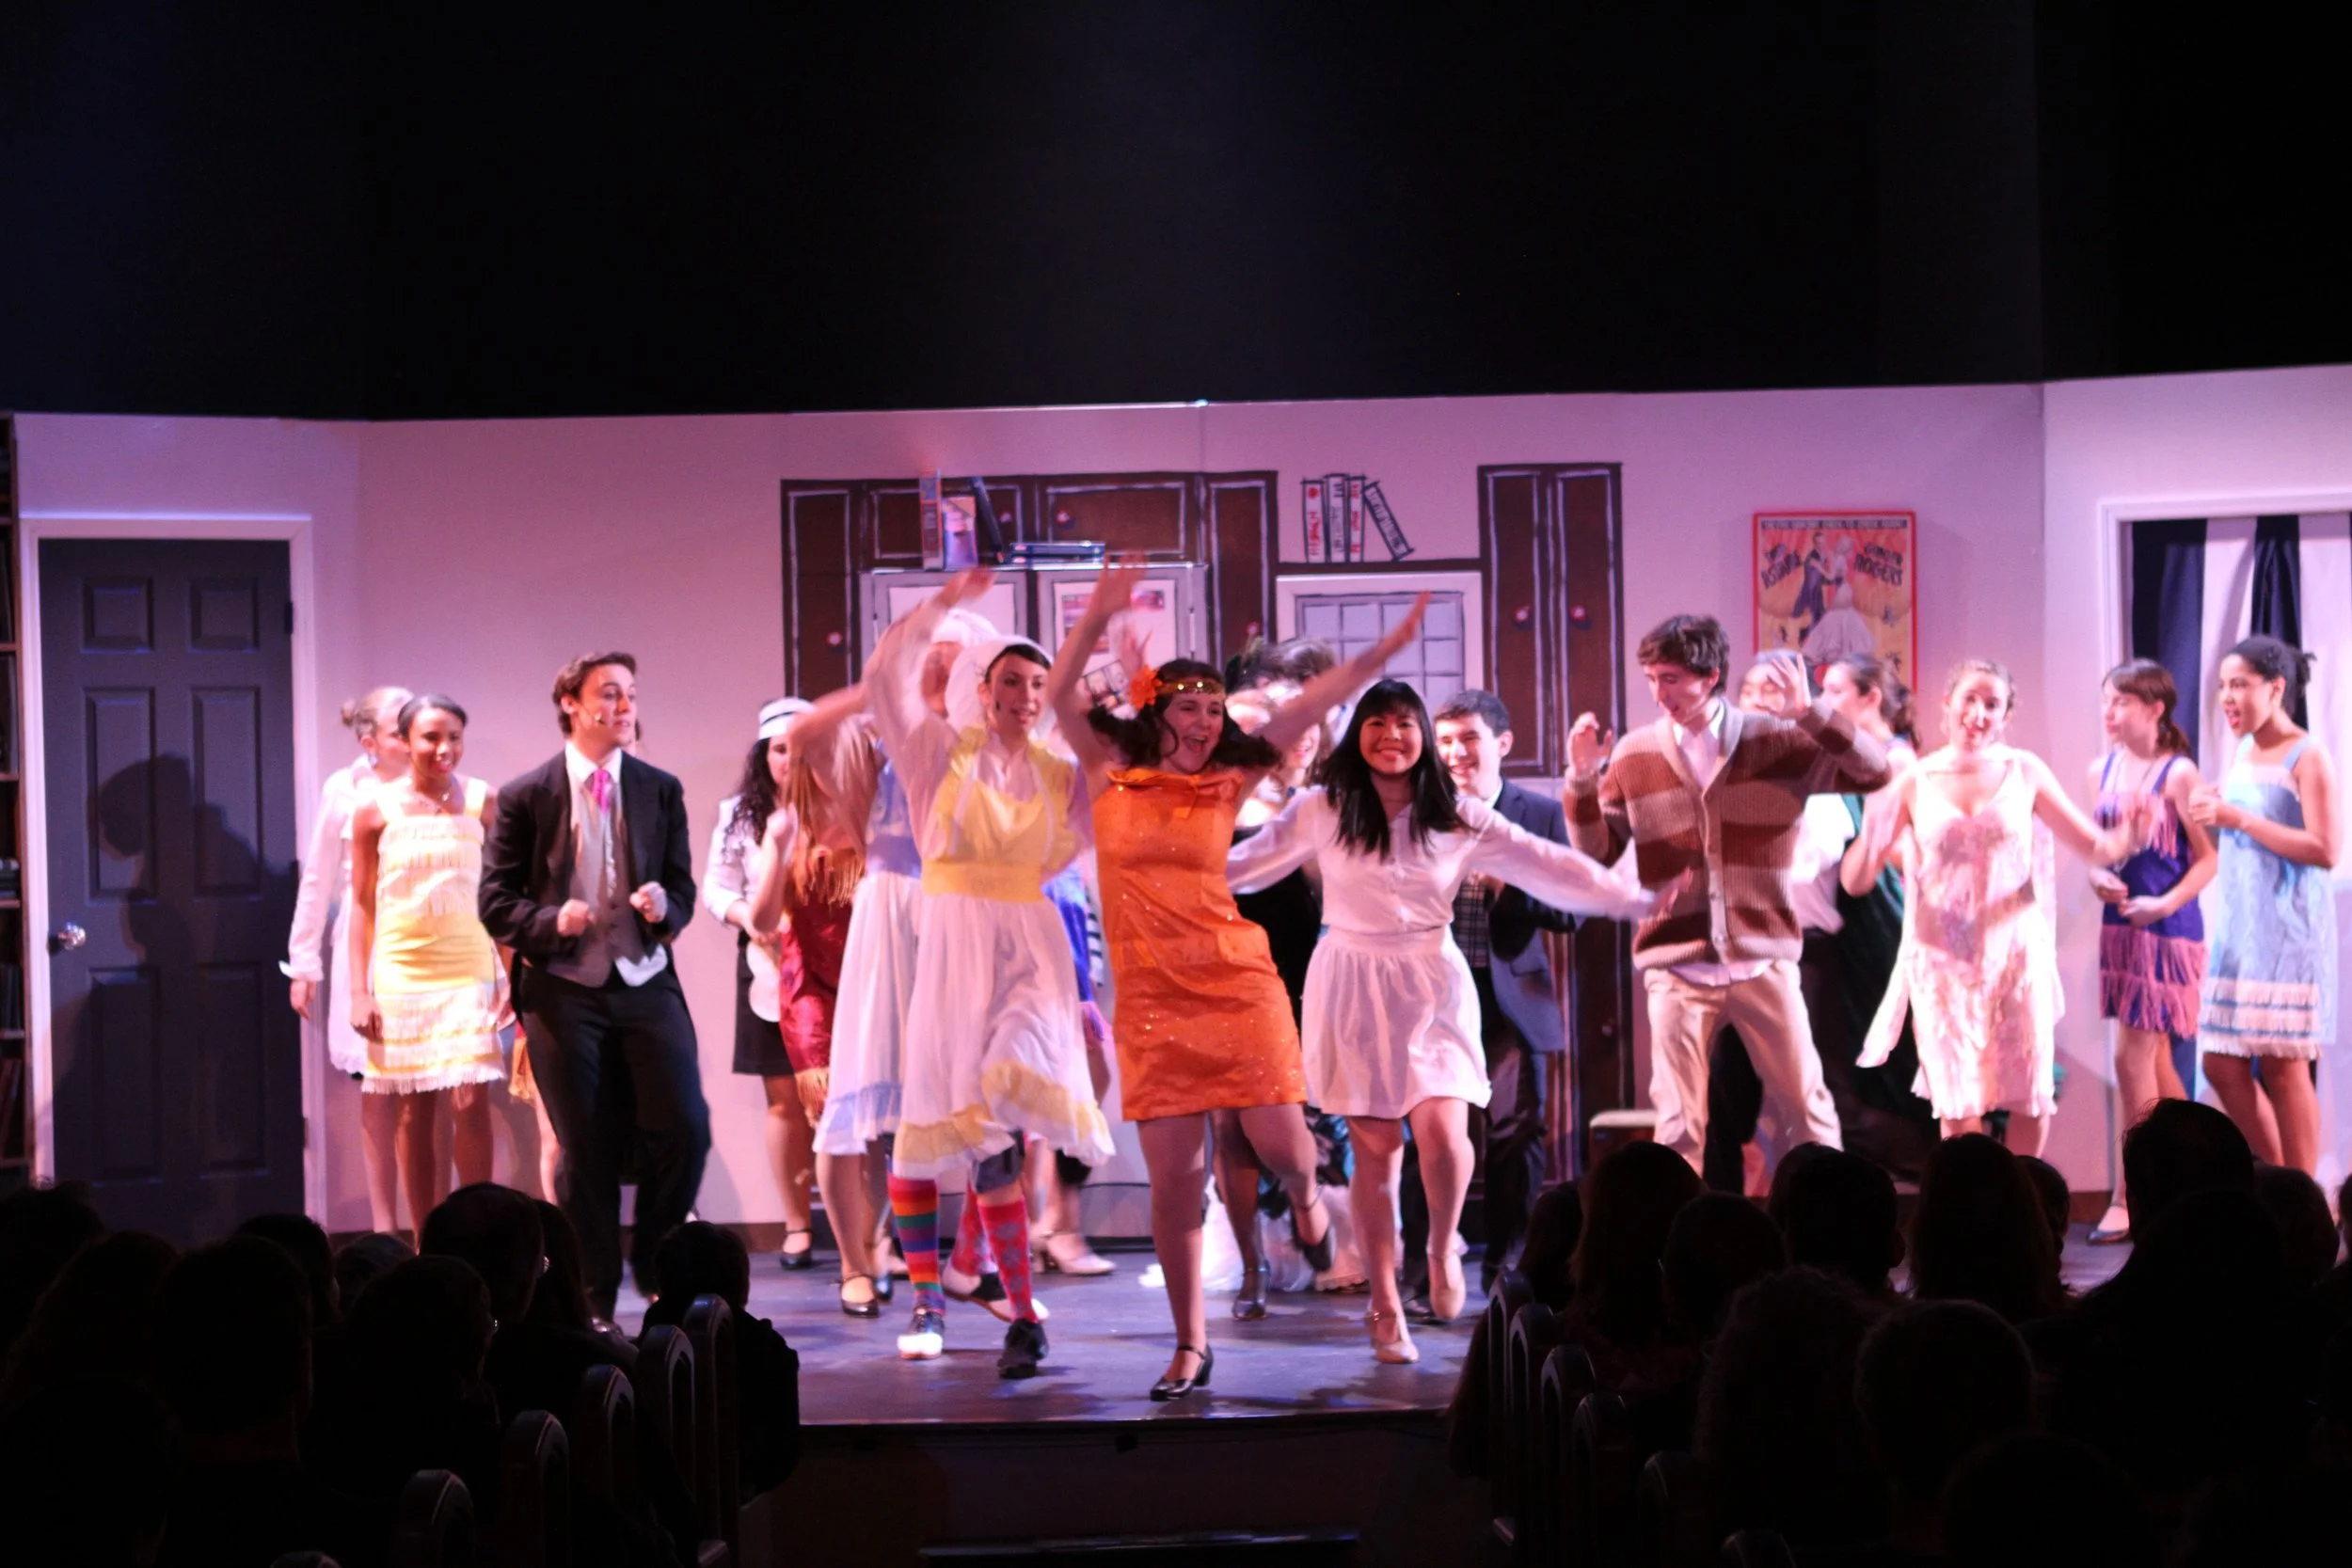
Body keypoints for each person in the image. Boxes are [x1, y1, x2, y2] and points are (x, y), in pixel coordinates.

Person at [1231, 675, 1651, 1362]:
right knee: (1377, 1151)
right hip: (1353, 981)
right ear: (1358, 735)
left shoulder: (1456, 812)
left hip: (1431, 977)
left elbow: (1545, 862)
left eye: (1405, 723)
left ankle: (1440, 1247)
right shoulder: (1322, 807)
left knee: (1446, 1135)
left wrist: (1629, 898)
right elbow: (1244, 863)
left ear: (1421, 736)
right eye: (1377, 723)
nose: (1391, 736)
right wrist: (1159, 876)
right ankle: (1385, 1301)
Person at [1045, 562, 1385, 1398]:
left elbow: (1304, 709)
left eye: (1213, 709)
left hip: (1235, 981)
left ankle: (1307, 1199)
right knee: (1175, 1183)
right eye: (1189, 707)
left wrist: (1380, 653)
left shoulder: (1229, 781)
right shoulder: (1108, 773)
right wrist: (1097, 612)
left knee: (1285, 1149)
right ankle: (1191, 1344)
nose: (1204, 722)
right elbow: (1059, 694)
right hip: (1152, 997)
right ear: (1157, 711)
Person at [864, 570, 1116, 1377]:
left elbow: (1109, 809)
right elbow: (884, 674)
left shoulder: (1058, 774)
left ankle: (1019, 1307)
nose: (1025, 696)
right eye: (1011, 680)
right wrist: (942, 602)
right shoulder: (935, 751)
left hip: (1030, 944)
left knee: (1006, 1110)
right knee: (931, 1121)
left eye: (1039, 684)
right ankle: (929, 1297)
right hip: (951, 942)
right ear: (983, 688)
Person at [1565, 614, 1890, 1177]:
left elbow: (1874, 771)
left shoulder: (1776, 740)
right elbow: (1597, 850)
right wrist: (1580, 780)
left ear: (1711, 675)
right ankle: (1680, 1231)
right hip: (1677, 965)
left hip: (1763, 958)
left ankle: (1834, 1221)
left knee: (1808, 1110)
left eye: (1671, 679)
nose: (1659, 694)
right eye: (1652, 679)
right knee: (1678, 1126)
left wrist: (1810, 714)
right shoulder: (1636, 754)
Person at [480, 652, 709, 1318]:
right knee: (585, 1149)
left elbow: (683, 888)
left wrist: (664, 907)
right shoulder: (528, 795)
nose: (625, 707)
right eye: (609, 693)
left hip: (642, 976)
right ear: (571, 703)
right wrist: (551, 921)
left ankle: (654, 1256)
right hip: (562, 985)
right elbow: (494, 901)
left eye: (631, 694)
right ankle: (594, 1297)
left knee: (686, 1127)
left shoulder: (659, 788)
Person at [1848, 659, 2137, 1156]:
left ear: (2005, 715)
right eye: (1970, 699)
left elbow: (2097, 846)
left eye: (1992, 704)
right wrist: (1871, 836)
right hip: (1942, 966)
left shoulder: (2024, 771)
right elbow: (1856, 882)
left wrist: (2133, 832)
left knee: (2029, 1096)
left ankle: (2023, 1197)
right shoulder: (1914, 780)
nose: (1978, 714)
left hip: (2014, 959)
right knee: (1958, 1103)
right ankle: (1973, 1202)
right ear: (1947, 703)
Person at [1406, 689, 1577, 1300]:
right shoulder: (1418, 812)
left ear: (1502, 743)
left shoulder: (1539, 813)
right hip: (1433, 997)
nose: (1455, 752)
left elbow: (1570, 912)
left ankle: (1509, 1267)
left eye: (1468, 739)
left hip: (1508, 997)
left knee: (1515, 1133)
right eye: (1446, 741)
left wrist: (1509, 884)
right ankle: (1422, 1269)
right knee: (1426, 1136)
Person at [1221, 639, 1359, 1311]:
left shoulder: (1326, 798)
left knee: (1322, 1117)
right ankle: (1254, 1265)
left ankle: (1326, 1232)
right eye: (1284, 725)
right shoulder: (1228, 804)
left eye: (1308, 722)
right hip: (1234, 975)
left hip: (1314, 977)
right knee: (1232, 1129)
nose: (1301, 735)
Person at [1701, 653, 1868, 1194]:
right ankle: (1721, 1215)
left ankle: (1831, 1211)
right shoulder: (1718, 769)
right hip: (1735, 950)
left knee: (1811, 1093)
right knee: (1723, 1095)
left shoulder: (1812, 767)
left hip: (1803, 952)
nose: (1759, 700)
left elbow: (1807, 857)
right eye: (1751, 690)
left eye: (1774, 690)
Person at [348, 694, 509, 1234]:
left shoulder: (485, 801)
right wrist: (359, 990)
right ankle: (427, 1242)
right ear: (404, 740)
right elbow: (362, 905)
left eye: (454, 737)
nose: (445, 749)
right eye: (431, 738)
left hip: (468, 965)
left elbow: (504, 895)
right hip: (402, 971)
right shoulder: (374, 809)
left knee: (471, 1101)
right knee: (414, 1111)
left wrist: (511, 971)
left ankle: (481, 1236)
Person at [2190, 635, 2341, 1176]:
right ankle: (2281, 1183)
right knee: (2220, 1063)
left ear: (2275, 689)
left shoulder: (2308, 754)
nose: (2227, 697)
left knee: (2283, 1066)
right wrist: (2214, 810)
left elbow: (2325, 848)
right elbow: (2244, 835)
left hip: (2288, 932)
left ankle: (2304, 1196)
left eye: (2239, 685)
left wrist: (2241, 819)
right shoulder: (2244, 750)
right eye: (2222, 686)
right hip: (2241, 929)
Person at [746, 705, 878, 1309]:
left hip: (875, 981)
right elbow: (762, 919)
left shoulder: (880, 816)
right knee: (835, 1126)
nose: (824, 764)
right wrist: (778, 849)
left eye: (833, 751)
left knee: (884, 1128)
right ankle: (853, 1267)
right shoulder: (787, 826)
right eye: (814, 753)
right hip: (812, 991)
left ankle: (880, 1245)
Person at [2085, 658, 2216, 1242]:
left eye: (2121, 701)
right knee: (2155, 1063)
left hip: (2166, 929)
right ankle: (2199, 1178)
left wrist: (2162, 904)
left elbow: (2207, 860)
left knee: (2131, 1058)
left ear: (2155, 708)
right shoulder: (2102, 769)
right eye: (2107, 701)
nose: (2110, 712)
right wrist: (2098, 878)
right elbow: (2099, 851)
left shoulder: (2179, 773)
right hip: (2121, 927)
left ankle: (2131, 1194)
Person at [284, 684, 415, 1235]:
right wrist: (303, 963)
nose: (412, 734)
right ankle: (385, 1230)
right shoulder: (346, 788)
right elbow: (318, 877)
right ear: (370, 742)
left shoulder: (437, 783)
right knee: (378, 1090)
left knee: (424, 1092)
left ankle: (427, 1228)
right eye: (398, 727)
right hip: (367, 948)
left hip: (425, 950)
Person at [705, 696, 819, 1270]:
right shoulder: (739, 815)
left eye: (800, 748)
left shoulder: (841, 803)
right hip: (767, 964)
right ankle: (797, 1224)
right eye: (779, 749)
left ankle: (872, 1236)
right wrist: (748, 918)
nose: (789, 759)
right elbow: (716, 887)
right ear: (763, 754)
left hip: (832, 966)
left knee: (847, 1102)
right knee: (784, 1102)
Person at [1820, 654, 1938, 1177]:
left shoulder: (1896, 760)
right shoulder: (1855, 757)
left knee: (1901, 1042)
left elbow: (1895, 849)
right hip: (1860, 914)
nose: (1825, 702)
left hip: (1884, 909)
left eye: (1835, 691)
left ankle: (1933, 1164)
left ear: (1870, 697)